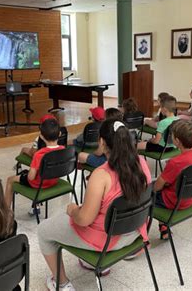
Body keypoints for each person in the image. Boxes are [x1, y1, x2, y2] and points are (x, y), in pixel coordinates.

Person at [37, 119, 152, 290]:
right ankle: (99, 264)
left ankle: (61, 283)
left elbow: (83, 220)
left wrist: (73, 209)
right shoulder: (141, 162)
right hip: (134, 232)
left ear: (102, 142)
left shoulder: (101, 175)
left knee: (44, 230)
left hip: (109, 239)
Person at [153, 120, 192, 240]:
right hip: (190, 199)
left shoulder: (175, 162)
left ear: (177, 141)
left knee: (142, 197)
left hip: (173, 202)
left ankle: (139, 238)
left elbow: (158, 186)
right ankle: (164, 228)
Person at [5, 119, 64, 213]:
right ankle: (35, 207)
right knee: (25, 174)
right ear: (60, 134)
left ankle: (5, 212)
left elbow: (31, 178)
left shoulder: (39, 154)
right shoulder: (63, 150)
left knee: (10, 180)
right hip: (53, 181)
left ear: (41, 136)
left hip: (38, 184)